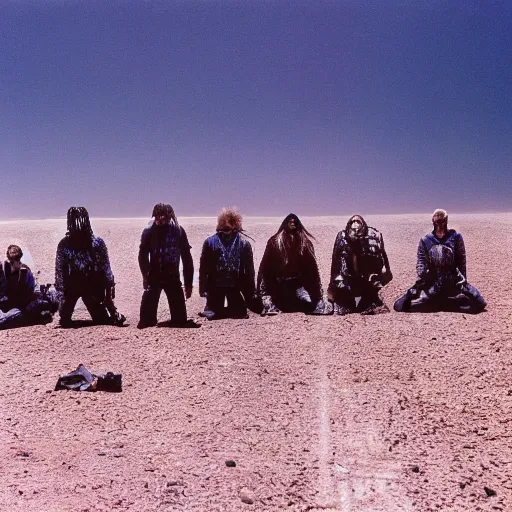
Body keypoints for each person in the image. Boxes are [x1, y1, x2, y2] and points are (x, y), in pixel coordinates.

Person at [394, 209, 486, 314]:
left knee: (478, 303)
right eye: (438, 222)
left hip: (452, 281)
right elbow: (421, 262)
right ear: (433, 222)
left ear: (446, 221)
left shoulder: (455, 237)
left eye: (442, 221)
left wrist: (463, 281)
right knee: (402, 305)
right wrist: (421, 281)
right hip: (433, 283)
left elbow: (461, 261)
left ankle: (444, 304)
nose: (440, 225)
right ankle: (443, 303)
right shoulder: (426, 240)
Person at [55, 207, 126, 327]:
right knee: (64, 320)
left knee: (101, 319)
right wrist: (62, 294)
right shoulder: (64, 244)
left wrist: (108, 293)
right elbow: (60, 270)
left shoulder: (97, 243)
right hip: (72, 284)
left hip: (91, 285)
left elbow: (105, 267)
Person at [257, 213, 329, 315]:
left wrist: (317, 294)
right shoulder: (274, 242)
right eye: (290, 222)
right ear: (285, 223)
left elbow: (312, 270)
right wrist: (263, 292)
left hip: (299, 285)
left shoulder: (305, 243)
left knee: (308, 303)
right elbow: (265, 268)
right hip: (280, 285)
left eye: (294, 222)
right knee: (280, 304)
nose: (292, 223)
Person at [138, 203, 196, 328]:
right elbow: (142, 255)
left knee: (179, 319)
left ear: (170, 216)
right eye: (159, 217)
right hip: (154, 275)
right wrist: (145, 276)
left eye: (164, 217)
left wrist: (188, 283)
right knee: (145, 321)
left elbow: (187, 258)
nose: (162, 220)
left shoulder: (177, 231)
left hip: (172, 276)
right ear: (155, 216)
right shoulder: (149, 231)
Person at [328, 215, 393, 315]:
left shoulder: (375, 238)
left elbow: (385, 267)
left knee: (368, 304)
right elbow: (335, 266)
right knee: (345, 305)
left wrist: (378, 282)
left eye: (358, 222)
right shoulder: (342, 238)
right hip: (347, 282)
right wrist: (332, 289)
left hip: (368, 281)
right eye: (353, 222)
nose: (355, 225)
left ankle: (371, 299)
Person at [199, 207, 255, 320]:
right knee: (213, 313)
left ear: (235, 224)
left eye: (229, 223)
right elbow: (204, 268)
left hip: (235, 284)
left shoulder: (244, 244)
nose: (226, 226)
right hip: (215, 285)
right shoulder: (210, 242)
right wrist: (203, 288)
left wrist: (251, 290)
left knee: (239, 313)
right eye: (223, 223)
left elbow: (249, 269)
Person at [0, 244, 58, 328]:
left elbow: (34, 288)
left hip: (19, 304)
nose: (15, 261)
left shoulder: (24, 271)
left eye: (17, 258)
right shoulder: (2, 270)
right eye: (12, 259)